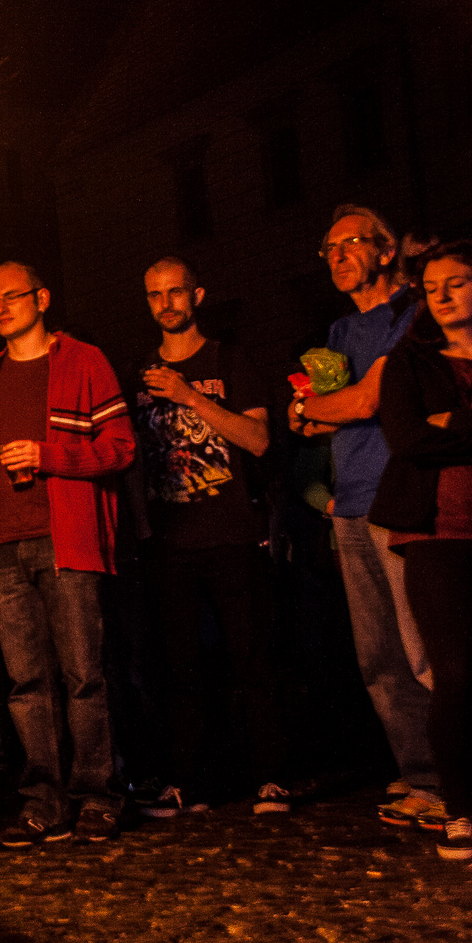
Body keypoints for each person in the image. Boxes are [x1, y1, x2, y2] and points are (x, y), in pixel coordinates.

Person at [0, 261, 134, 846]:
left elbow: (121, 447)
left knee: (83, 674)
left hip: (66, 540)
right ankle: (44, 801)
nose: (0, 309)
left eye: (11, 297)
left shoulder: (84, 361)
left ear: (41, 297)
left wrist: (49, 456)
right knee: (25, 682)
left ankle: (97, 797)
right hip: (3, 553)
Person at [289, 205, 440, 828]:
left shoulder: (413, 316)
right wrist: (319, 409)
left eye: (349, 243)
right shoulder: (339, 333)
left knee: (427, 650)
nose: (337, 257)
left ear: (384, 250)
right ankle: (424, 778)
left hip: (400, 499)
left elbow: (368, 397)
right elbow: (303, 418)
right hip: (349, 505)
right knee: (378, 659)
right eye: (328, 249)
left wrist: (321, 407)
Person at [131, 257, 290, 815]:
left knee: (251, 658)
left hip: (230, 532)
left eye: (175, 292)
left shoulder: (229, 359)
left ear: (197, 295)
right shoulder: (142, 371)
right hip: (171, 540)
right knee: (179, 666)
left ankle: (270, 777)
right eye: (155, 295)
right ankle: (189, 781)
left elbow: (260, 440)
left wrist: (189, 395)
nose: (165, 303)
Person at [371, 241, 472, 860]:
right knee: (455, 673)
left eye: (456, 281)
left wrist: (457, 423)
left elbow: (441, 432)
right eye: (430, 285)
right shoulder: (407, 365)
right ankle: (457, 810)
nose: (442, 294)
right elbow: (410, 440)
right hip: (437, 535)